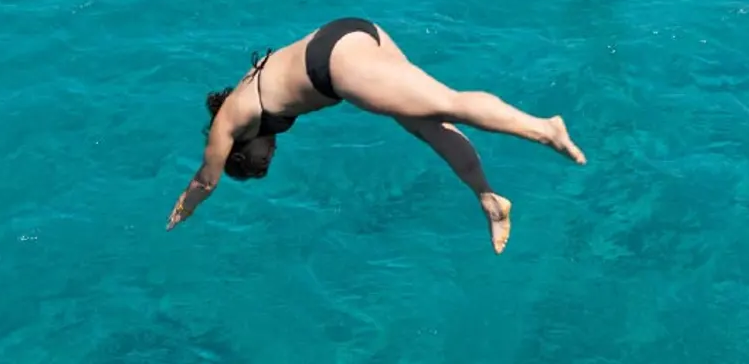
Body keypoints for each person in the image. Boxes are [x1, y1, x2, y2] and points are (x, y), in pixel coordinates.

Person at [165, 17, 586, 254]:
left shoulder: (231, 121)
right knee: (425, 125)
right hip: (348, 34)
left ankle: (544, 129)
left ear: (239, 148)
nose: (271, 152)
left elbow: (206, 178)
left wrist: (185, 207)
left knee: (447, 103)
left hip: (336, 65)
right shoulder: (242, 94)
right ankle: (490, 200)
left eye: (261, 159)